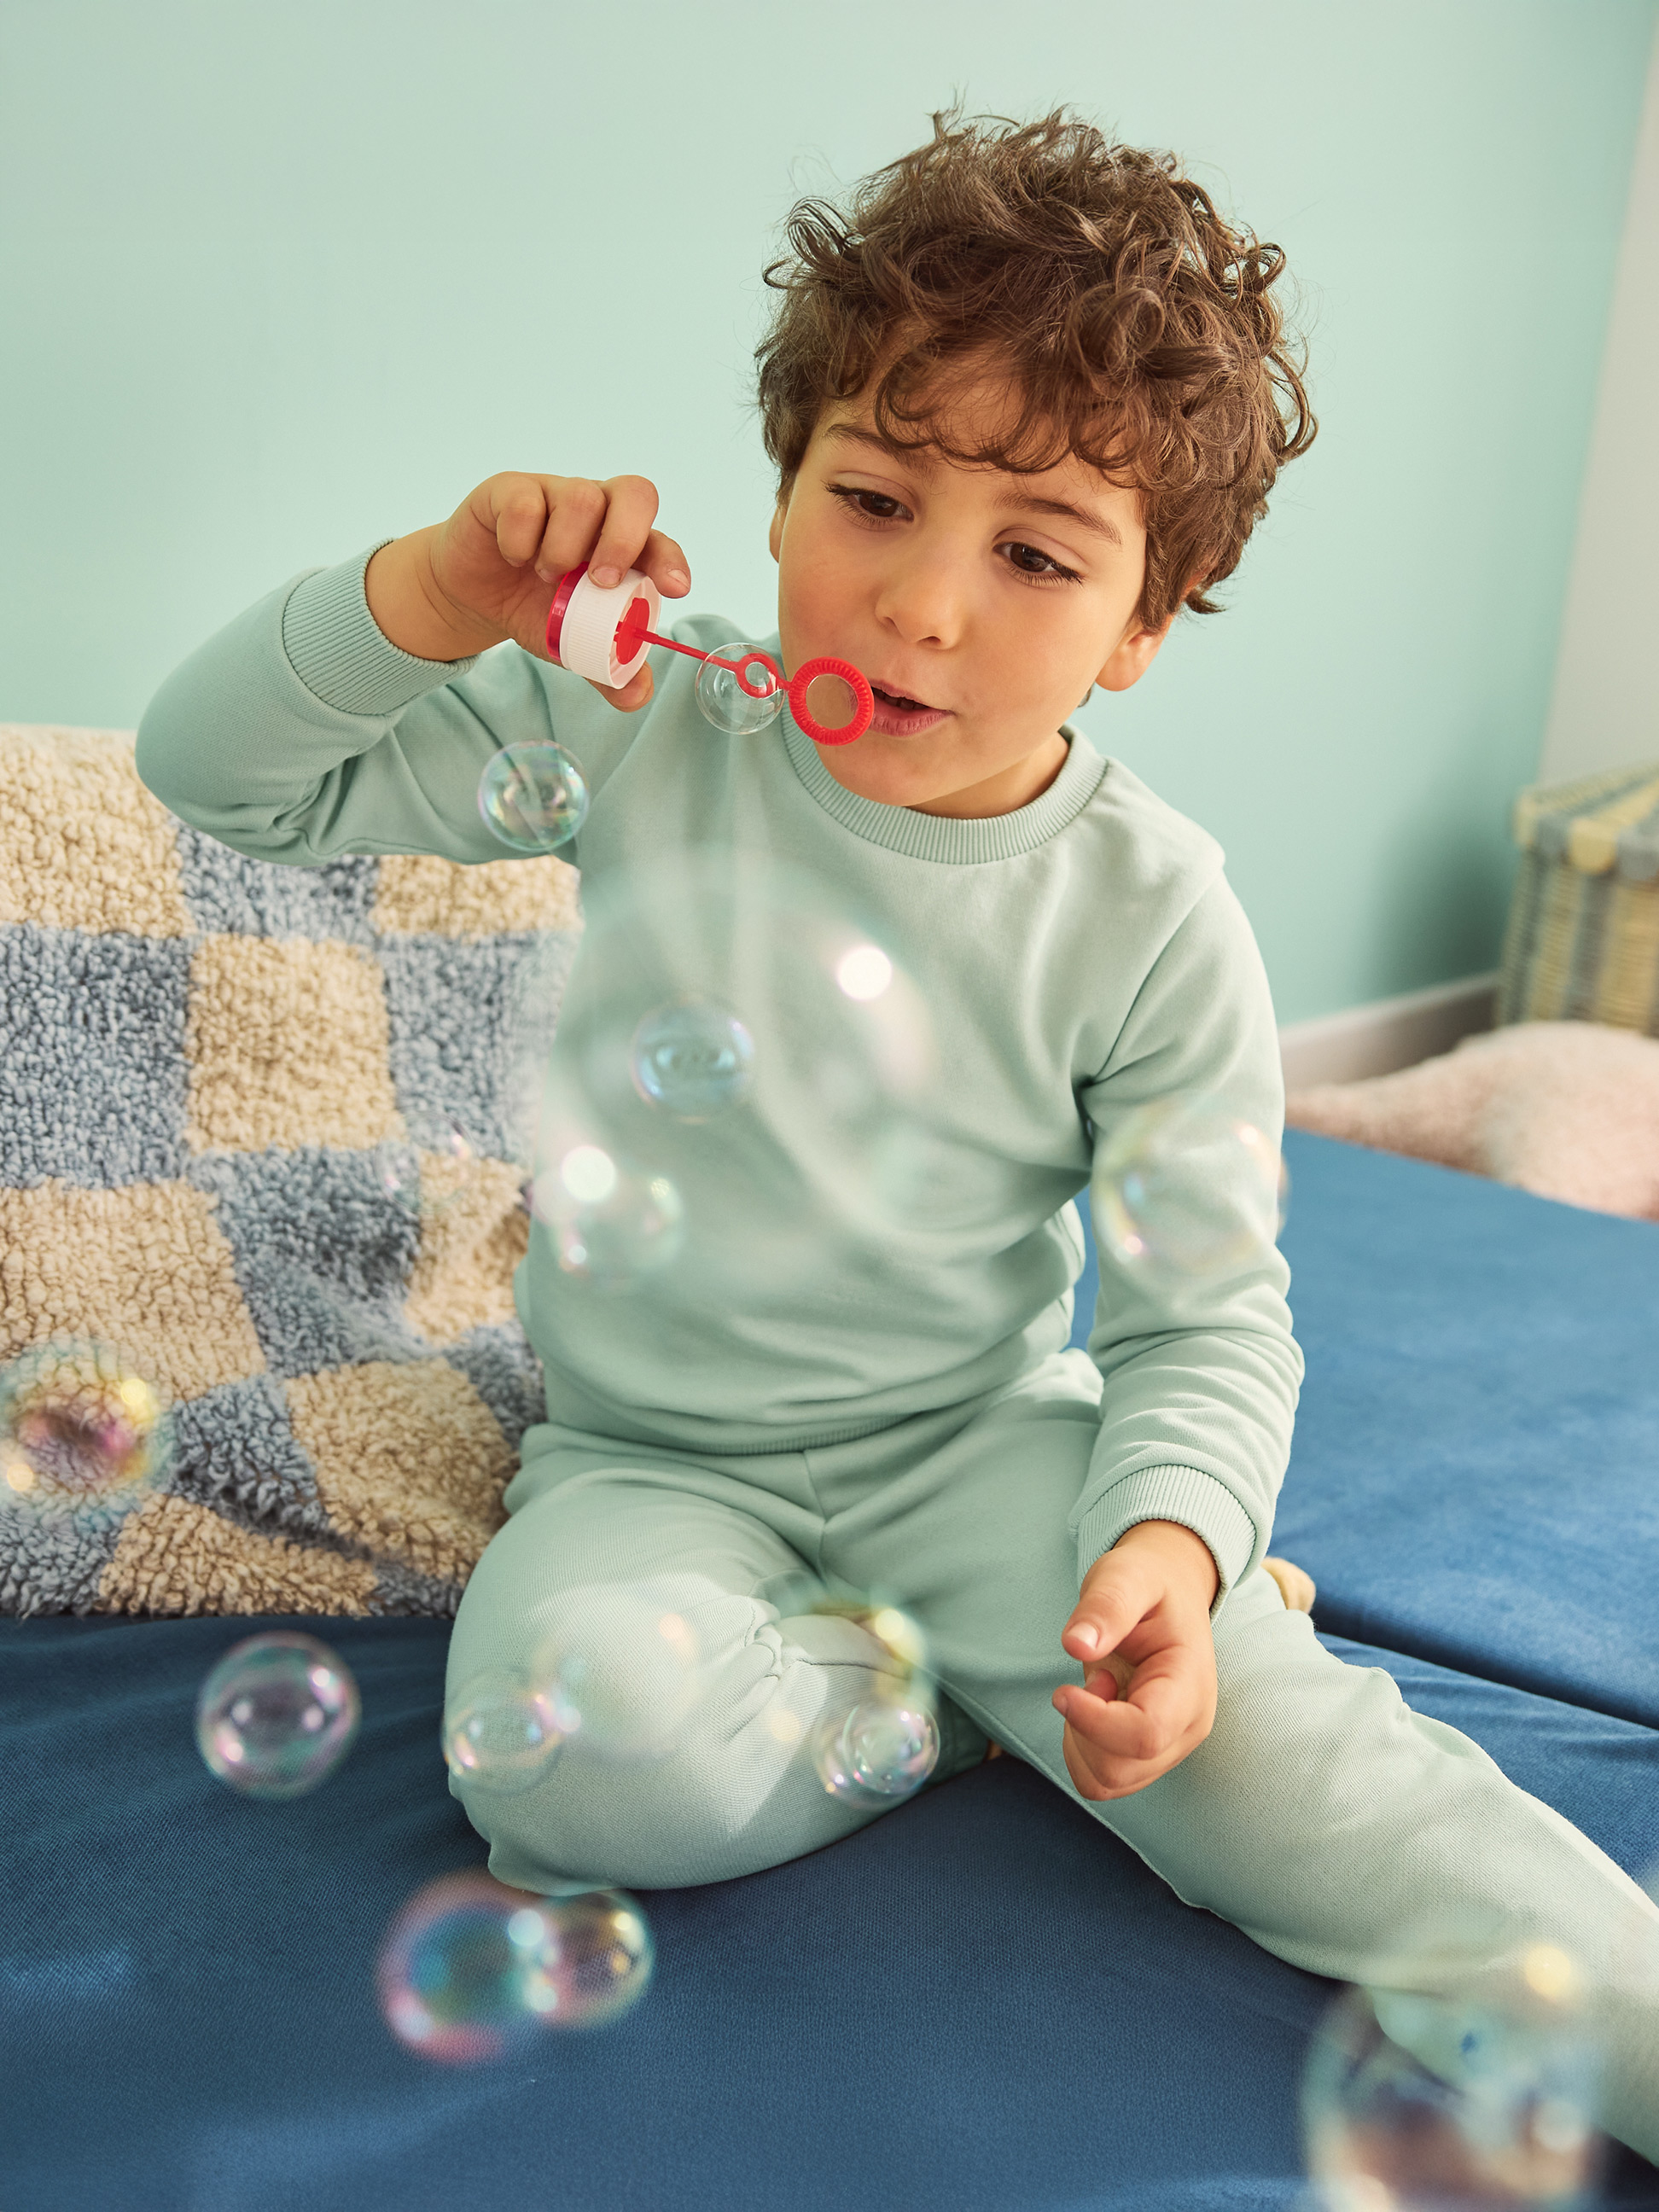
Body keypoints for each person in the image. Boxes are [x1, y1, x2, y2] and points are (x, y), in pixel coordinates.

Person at [136, 108, 1659, 2159]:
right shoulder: (653, 720)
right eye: (872, 498)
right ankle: (948, 1710)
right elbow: (220, 778)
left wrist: (1172, 1552)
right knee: (577, 1788)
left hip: (984, 1453)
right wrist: (427, 591)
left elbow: (1210, 1319)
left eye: (1037, 552)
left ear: (1143, 624)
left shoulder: (1153, 910)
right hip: (648, 1460)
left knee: (1307, 1779)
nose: (921, 606)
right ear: (782, 498)